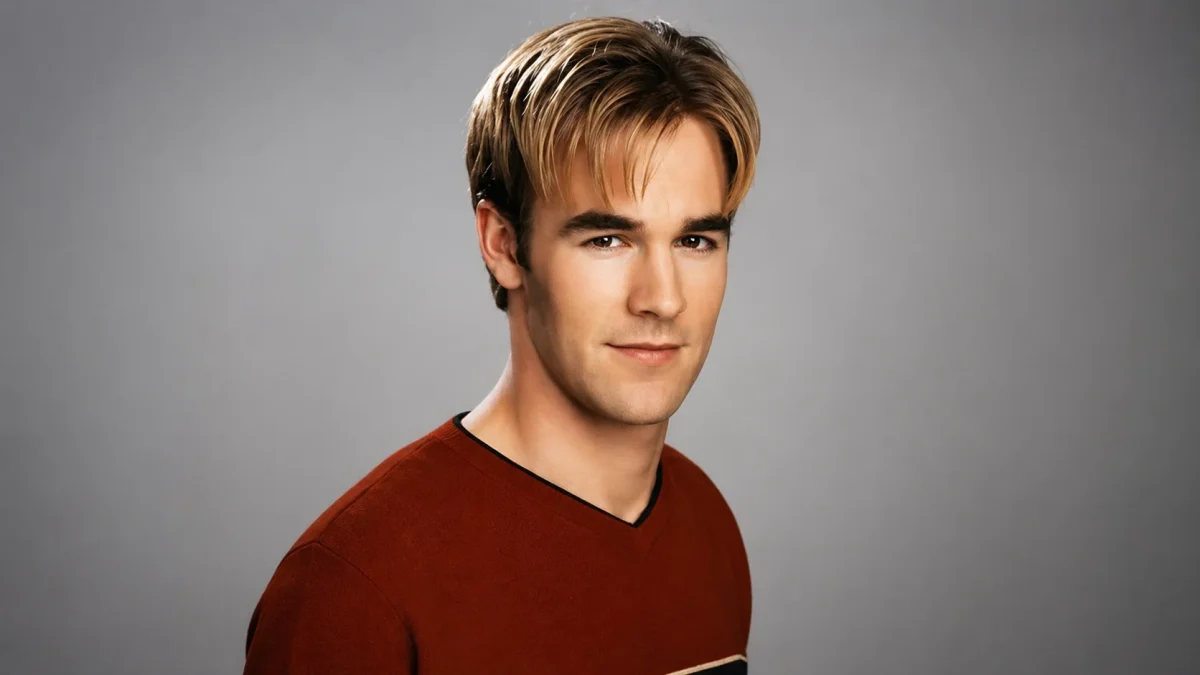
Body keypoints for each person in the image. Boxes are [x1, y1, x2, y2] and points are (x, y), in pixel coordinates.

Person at [243, 15, 761, 675]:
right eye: (606, 239)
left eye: (695, 240)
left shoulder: (706, 526)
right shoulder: (354, 588)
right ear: (503, 244)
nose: (662, 297)